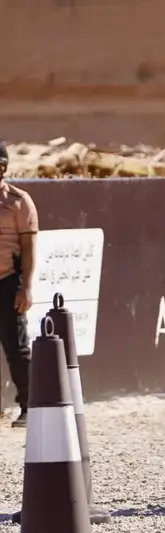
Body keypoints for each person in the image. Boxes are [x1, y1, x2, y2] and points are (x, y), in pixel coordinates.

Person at [0, 143, 37, 428]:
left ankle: (28, 406)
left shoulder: (18, 201)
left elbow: (28, 246)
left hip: (8, 280)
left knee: (17, 347)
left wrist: (26, 286)